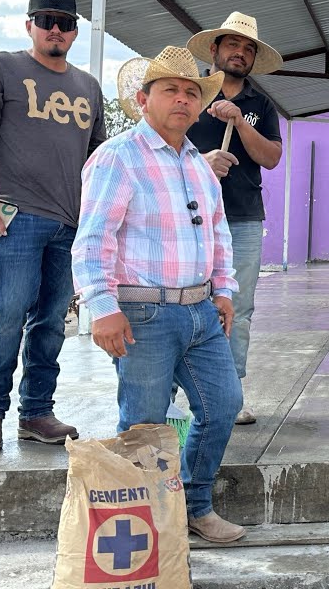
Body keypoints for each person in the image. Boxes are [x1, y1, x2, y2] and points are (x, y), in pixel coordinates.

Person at [72, 46, 246, 542]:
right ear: (143, 100)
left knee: (223, 405)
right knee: (144, 423)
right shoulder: (118, 157)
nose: (183, 100)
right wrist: (102, 307)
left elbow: (218, 233)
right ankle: (142, 525)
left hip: (200, 310)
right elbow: (93, 239)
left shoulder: (197, 164)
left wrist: (225, 290)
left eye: (192, 92)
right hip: (142, 312)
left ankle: (194, 505)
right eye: (170, 89)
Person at [0, 0, 105, 454]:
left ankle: (37, 412)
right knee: (6, 315)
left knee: (51, 322)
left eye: (64, 21)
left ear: (75, 31)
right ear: (29, 25)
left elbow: (98, 159)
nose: (55, 29)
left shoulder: (88, 87)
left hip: (71, 224)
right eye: (46, 19)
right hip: (16, 218)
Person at [185, 12, 283, 426]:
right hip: (186, 218)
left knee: (237, 309)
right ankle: (174, 395)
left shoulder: (260, 104)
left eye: (247, 49)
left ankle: (230, 394)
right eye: (232, 45)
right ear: (215, 50)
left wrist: (239, 122)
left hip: (241, 217)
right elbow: (160, 148)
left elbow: (272, 158)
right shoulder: (188, 93)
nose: (239, 53)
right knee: (181, 304)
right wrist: (202, 164)